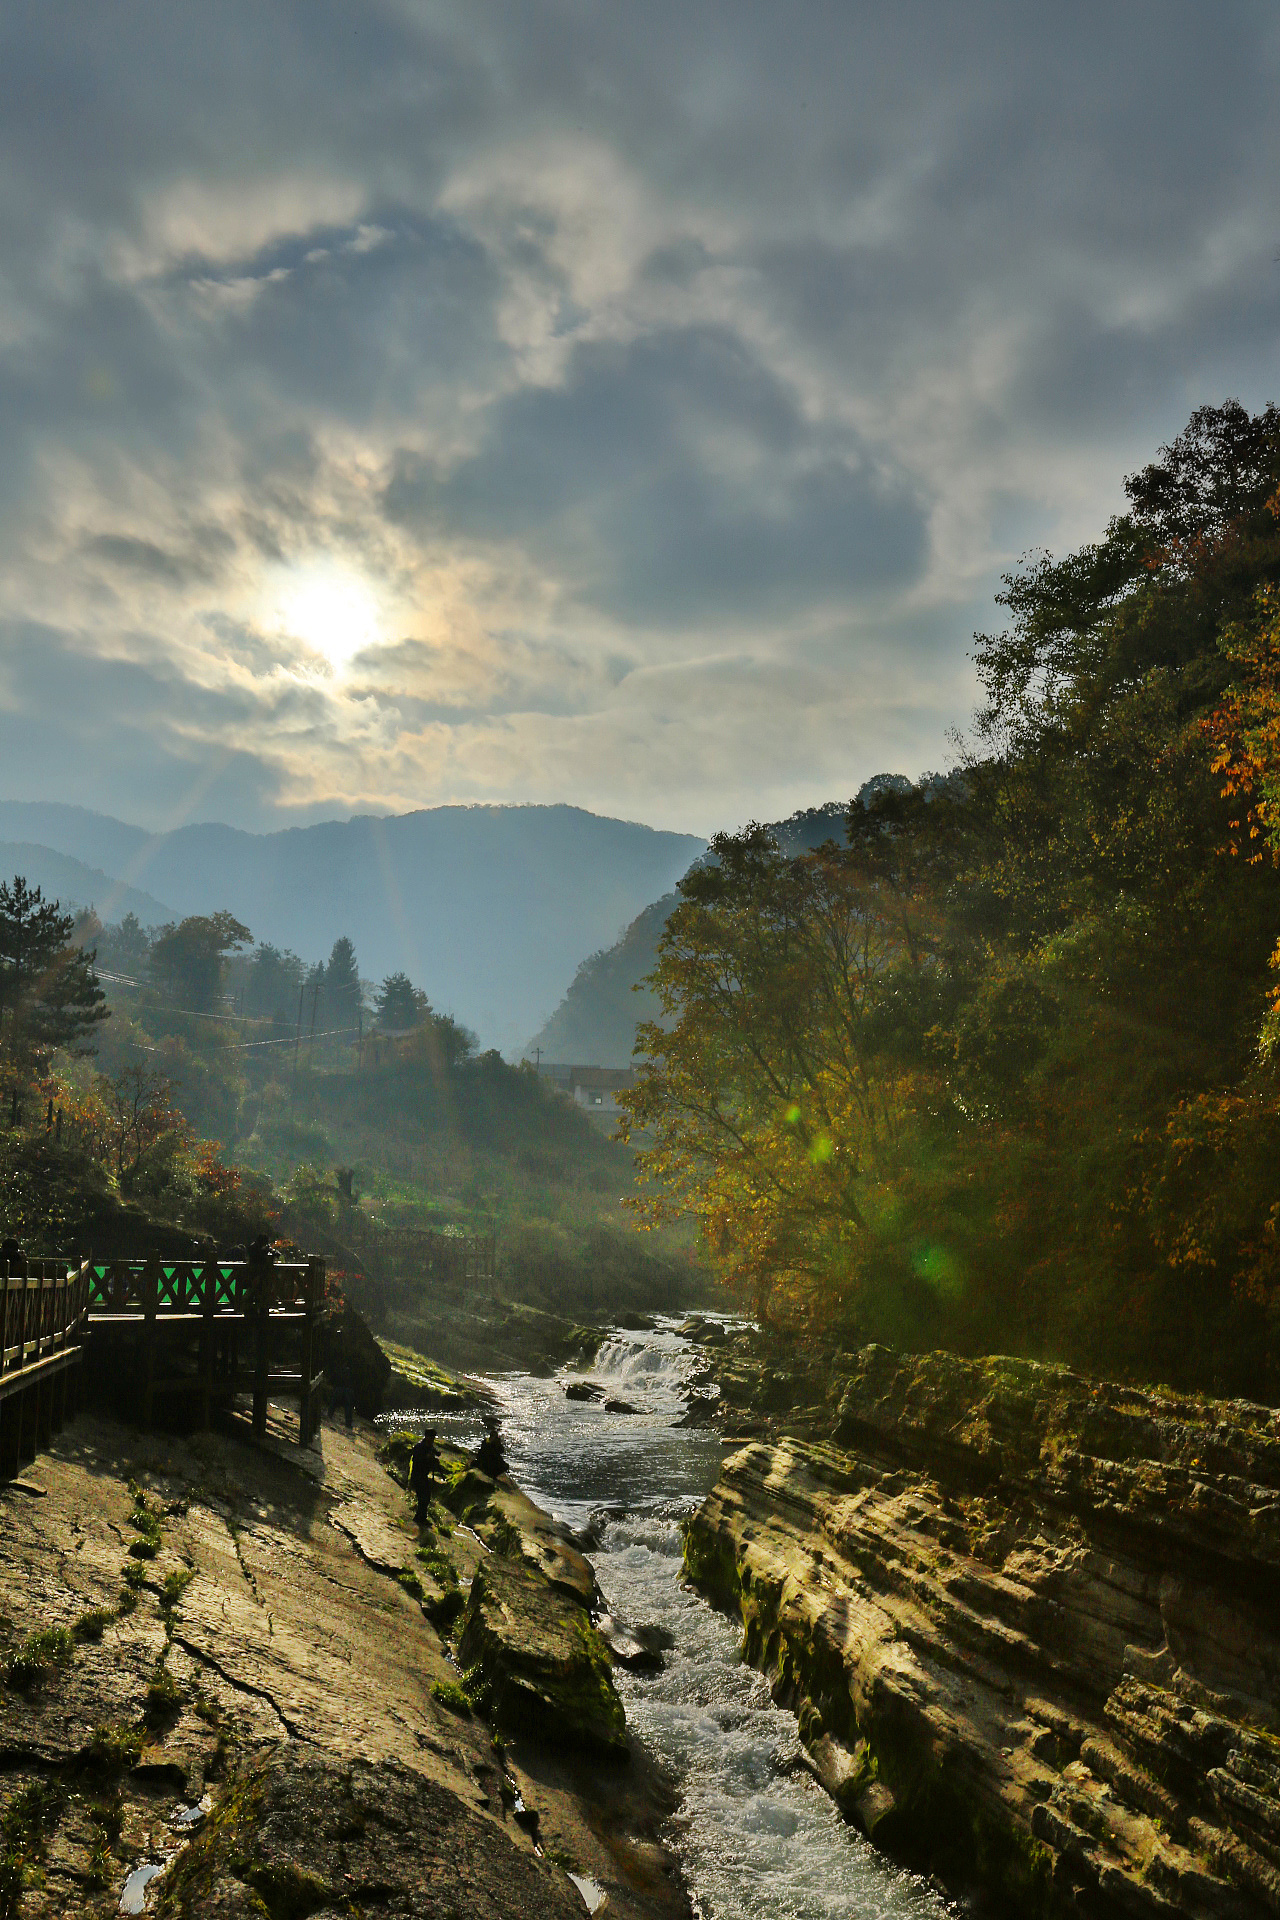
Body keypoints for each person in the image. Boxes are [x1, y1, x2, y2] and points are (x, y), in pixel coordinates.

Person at [409, 1429, 442, 1520]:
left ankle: (422, 1516)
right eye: (431, 1437)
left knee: (426, 1497)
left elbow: (435, 1452)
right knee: (423, 1497)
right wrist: (427, 1458)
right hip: (417, 1475)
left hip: (423, 1475)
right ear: (426, 1437)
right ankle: (419, 1517)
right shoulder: (420, 1446)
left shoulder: (429, 1446)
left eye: (433, 1438)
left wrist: (435, 1454)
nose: (432, 1439)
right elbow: (416, 1460)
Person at [472, 1414, 507, 1480]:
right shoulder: (488, 1442)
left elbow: (501, 1451)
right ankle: (490, 1473)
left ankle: (490, 1473)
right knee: (503, 1466)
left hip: (490, 1461)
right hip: (488, 1461)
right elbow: (500, 1451)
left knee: (504, 1465)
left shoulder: (490, 1442)